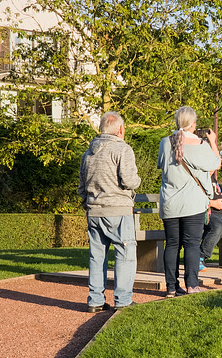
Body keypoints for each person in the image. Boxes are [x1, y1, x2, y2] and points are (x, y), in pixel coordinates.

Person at [78, 111, 141, 312]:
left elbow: (81, 186)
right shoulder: (122, 149)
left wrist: (88, 204)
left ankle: (95, 300)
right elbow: (130, 180)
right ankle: (123, 300)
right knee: (125, 253)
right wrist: (138, 181)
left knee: (97, 256)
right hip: (118, 210)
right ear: (120, 130)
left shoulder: (87, 153)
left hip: (94, 211)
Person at [157, 106, 220, 297]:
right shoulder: (200, 144)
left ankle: (171, 287)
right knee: (192, 244)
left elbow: (162, 165)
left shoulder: (164, 142)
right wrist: (213, 142)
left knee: (172, 244)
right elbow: (215, 163)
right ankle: (192, 285)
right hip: (193, 203)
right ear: (193, 124)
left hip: (170, 203)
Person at [199, 174, 222, 271]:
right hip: (208, 212)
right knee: (217, 227)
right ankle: (200, 257)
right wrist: (213, 203)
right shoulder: (201, 176)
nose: (218, 161)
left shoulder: (214, 178)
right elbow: (196, 197)